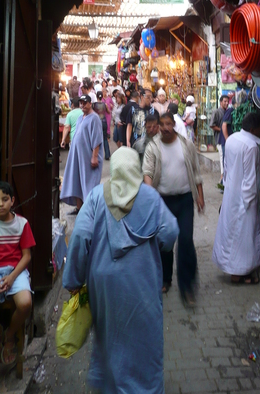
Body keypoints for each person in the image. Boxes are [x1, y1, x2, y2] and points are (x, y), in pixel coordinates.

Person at [63, 147, 179, 394]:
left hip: (103, 284)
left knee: (109, 337)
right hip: (142, 281)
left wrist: (73, 279)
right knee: (144, 338)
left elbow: (81, 236)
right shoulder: (150, 197)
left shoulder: (96, 196)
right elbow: (170, 234)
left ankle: (111, 386)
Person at [143, 112, 205, 306]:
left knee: (185, 240)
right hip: (163, 201)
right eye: (162, 124)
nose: (165, 128)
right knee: (164, 242)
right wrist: (149, 196)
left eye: (169, 124)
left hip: (185, 199)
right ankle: (165, 279)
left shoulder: (186, 145)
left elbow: (195, 171)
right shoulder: (153, 147)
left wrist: (200, 196)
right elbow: (148, 173)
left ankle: (187, 287)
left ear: (174, 125)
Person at [0, 181, 36, 365]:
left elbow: (26, 256)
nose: (1, 204)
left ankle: (10, 335)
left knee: (25, 304)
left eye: (5, 199)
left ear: (12, 200)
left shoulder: (22, 224)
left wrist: (12, 276)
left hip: (16, 271)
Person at [212, 112, 260, 284]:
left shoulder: (233, 139)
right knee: (243, 236)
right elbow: (250, 180)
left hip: (231, 193)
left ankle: (239, 271)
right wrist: (249, 203)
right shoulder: (251, 147)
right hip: (244, 198)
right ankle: (240, 272)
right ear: (253, 129)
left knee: (231, 233)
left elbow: (227, 168)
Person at [60, 94, 104, 214]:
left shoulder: (94, 118)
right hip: (78, 156)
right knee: (77, 181)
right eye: (81, 103)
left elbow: (97, 139)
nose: (82, 105)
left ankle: (89, 211)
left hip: (88, 157)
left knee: (89, 184)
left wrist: (94, 157)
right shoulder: (80, 118)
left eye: (85, 103)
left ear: (90, 104)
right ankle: (79, 208)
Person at [210, 95, 230, 188]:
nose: (226, 103)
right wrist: (222, 130)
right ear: (220, 102)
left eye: (227, 101)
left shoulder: (227, 112)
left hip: (224, 139)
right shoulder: (216, 112)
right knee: (222, 158)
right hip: (219, 139)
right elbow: (212, 125)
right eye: (225, 101)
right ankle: (222, 178)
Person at [94, 93, 111, 161]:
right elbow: (108, 112)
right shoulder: (105, 104)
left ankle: (96, 155)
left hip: (97, 123)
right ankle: (107, 154)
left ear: (96, 96)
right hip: (104, 122)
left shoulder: (93, 105)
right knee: (105, 139)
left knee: (96, 139)